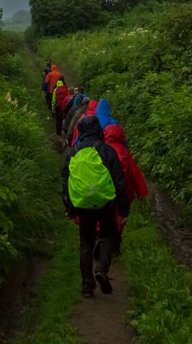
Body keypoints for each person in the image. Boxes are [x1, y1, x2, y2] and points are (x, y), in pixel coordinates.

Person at [62, 116, 129, 298]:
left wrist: (69, 206)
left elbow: (66, 182)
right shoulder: (106, 150)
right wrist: (124, 209)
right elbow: (119, 181)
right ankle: (101, 269)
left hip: (83, 205)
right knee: (108, 235)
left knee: (86, 242)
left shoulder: (72, 152)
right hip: (106, 202)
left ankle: (87, 286)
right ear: (98, 130)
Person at [102, 124, 148, 250]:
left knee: (107, 215)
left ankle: (105, 240)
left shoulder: (102, 150)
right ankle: (115, 241)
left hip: (106, 190)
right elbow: (135, 173)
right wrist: (142, 191)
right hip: (125, 190)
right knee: (121, 216)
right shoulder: (124, 152)